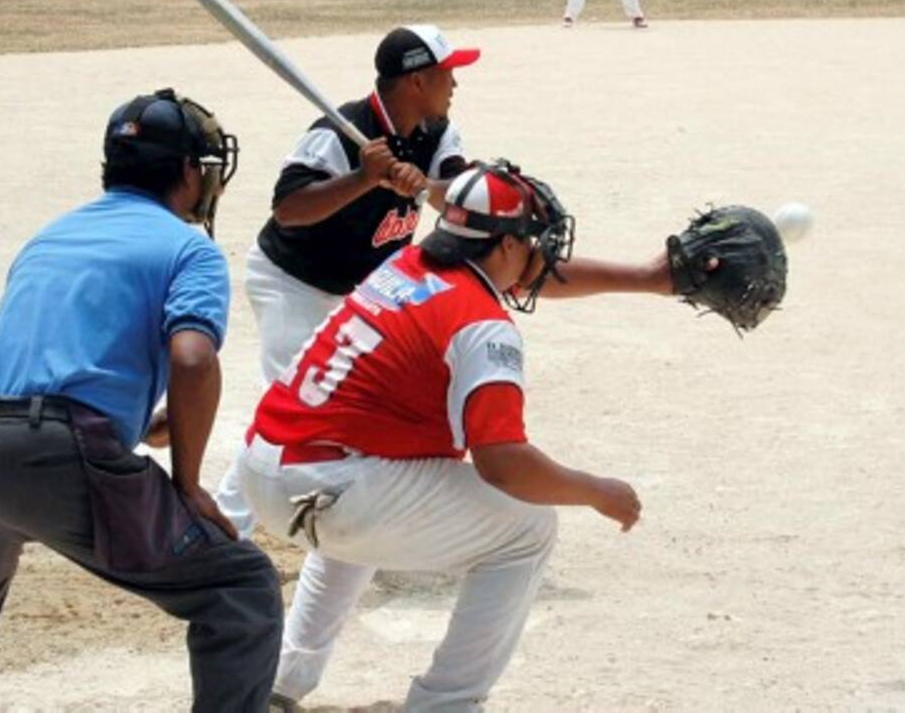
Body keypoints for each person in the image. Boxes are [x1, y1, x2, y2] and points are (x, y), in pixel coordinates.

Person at [0, 89, 282, 712]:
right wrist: (188, 484)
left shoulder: (51, 236)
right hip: (53, 457)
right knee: (241, 587)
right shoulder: (188, 249)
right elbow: (193, 359)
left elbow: (43, 363)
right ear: (187, 173)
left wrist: (138, 421)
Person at [238, 160, 672, 711]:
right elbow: (504, 464)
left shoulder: (405, 265)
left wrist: (647, 279)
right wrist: (597, 491)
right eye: (533, 242)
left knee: (373, 509)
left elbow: (523, 277)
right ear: (507, 245)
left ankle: (281, 680)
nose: (542, 257)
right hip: (331, 488)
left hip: (266, 472)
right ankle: (447, 704)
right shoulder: (482, 326)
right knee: (528, 528)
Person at [215, 24, 479, 534]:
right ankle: (223, 532)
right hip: (292, 282)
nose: (455, 83)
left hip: (359, 292)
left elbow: (460, 197)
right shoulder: (337, 132)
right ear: (417, 81)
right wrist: (363, 178)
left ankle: (354, 521)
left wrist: (424, 184)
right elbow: (289, 209)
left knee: (361, 405)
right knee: (295, 408)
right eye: (447, 73)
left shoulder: (436, 131)